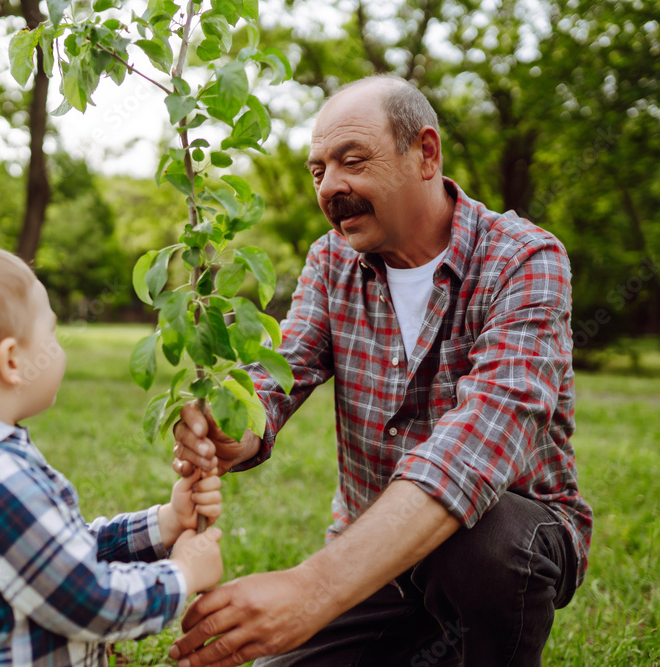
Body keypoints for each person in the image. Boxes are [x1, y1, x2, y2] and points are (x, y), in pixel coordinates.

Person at [168, 75, 592, 667]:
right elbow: (280, 372)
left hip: (499, 540)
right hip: (373, 562)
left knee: (489, 546)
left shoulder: (523, 258)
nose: (331, 186)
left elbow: (481, 443)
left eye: (352, 160)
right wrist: (235, 425)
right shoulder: (331, 259)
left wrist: (311, 589)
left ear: (425, 153)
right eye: (318, 171)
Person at [0, 240, 223, 666]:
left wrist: (162, 524)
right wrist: (180, 576)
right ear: (12, 361)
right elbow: (86, 602)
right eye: (50, 330)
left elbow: (55, 556)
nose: (59, 344)